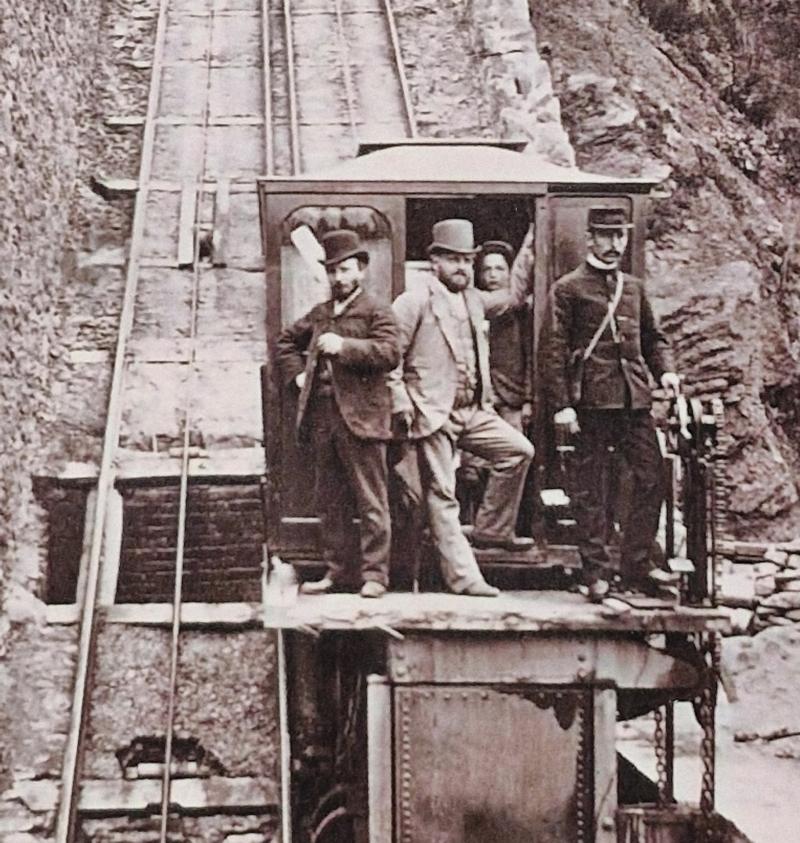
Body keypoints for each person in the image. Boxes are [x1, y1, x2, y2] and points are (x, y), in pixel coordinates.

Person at [539, 206, 680, 602]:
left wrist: (665, 371)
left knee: (653, 477)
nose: (615, 244)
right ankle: (595, 571)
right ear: (590, 239)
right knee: (590, 490)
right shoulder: (568, 288)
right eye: (606, 236)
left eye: (620, 236)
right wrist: (563, 405)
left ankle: (636, 562)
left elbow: (654, 338)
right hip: (591, 404)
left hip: (634, 400)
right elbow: (551, 352)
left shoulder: (633, 288)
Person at [389, 219, 535, 597]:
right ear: (434, 261)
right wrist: (403, 402)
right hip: (432, 412)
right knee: (443, 494)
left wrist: (533, 236)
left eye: (467, 260)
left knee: (518, 452)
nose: (462, 268)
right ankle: (465, 579)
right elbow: (390, 359)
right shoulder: (413, 302)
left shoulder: (472, 299)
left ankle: (491, 530)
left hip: (473, 410)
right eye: (453, 259)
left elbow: (514, 295)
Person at [276, 229, 400, 598]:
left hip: (363, 419)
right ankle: (339, 573)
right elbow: (285, 342)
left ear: (361, 270)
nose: (339, 278)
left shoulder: (377, 310)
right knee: (330, 502)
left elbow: (390, 353)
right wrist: (298, 376)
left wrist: (344, 346)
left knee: (371, 501)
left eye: (346, 270)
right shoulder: (321, 313)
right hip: (324, 419)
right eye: (333, 271)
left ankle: (375, 576)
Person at [476, 240, 533, 431]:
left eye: (499, 268)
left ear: (510, 272)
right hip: (480, 402)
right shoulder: (475, 302)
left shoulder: (520, 310)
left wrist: (528, 399)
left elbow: (530, 357)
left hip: (511, 400)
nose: (492, 275)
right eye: (487, 269)